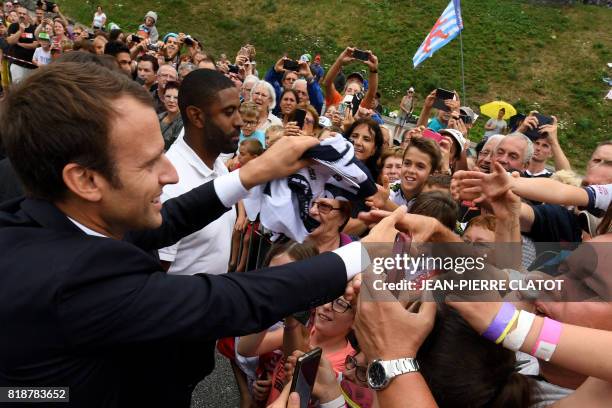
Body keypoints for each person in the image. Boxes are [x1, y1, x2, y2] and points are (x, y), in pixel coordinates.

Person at [0, 62, 375, 407]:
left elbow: (169, 221)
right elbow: (234, 300)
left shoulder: (41, 222)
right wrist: (375, 251)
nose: (171, 174)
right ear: (85, 180)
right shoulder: (77, 280)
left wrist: (251, 174)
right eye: (149, 163)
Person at [6, 6, 37, 83]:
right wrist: (20, 31)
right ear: (17, 14)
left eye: (24, 14)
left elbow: (35, 45)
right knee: (18, 88)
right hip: (17, 64)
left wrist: (19, 44)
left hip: (32, 66)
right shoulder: (13, 26)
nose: (22, 15)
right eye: (20, 13)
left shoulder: (33, 28)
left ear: (27, 16)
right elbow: (10, 41)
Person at [157, 80, 183, 151]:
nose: (171, 100)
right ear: (163, 98)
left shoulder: (184, 122)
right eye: (168, 96)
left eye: (176, 98)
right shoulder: (157, 117)